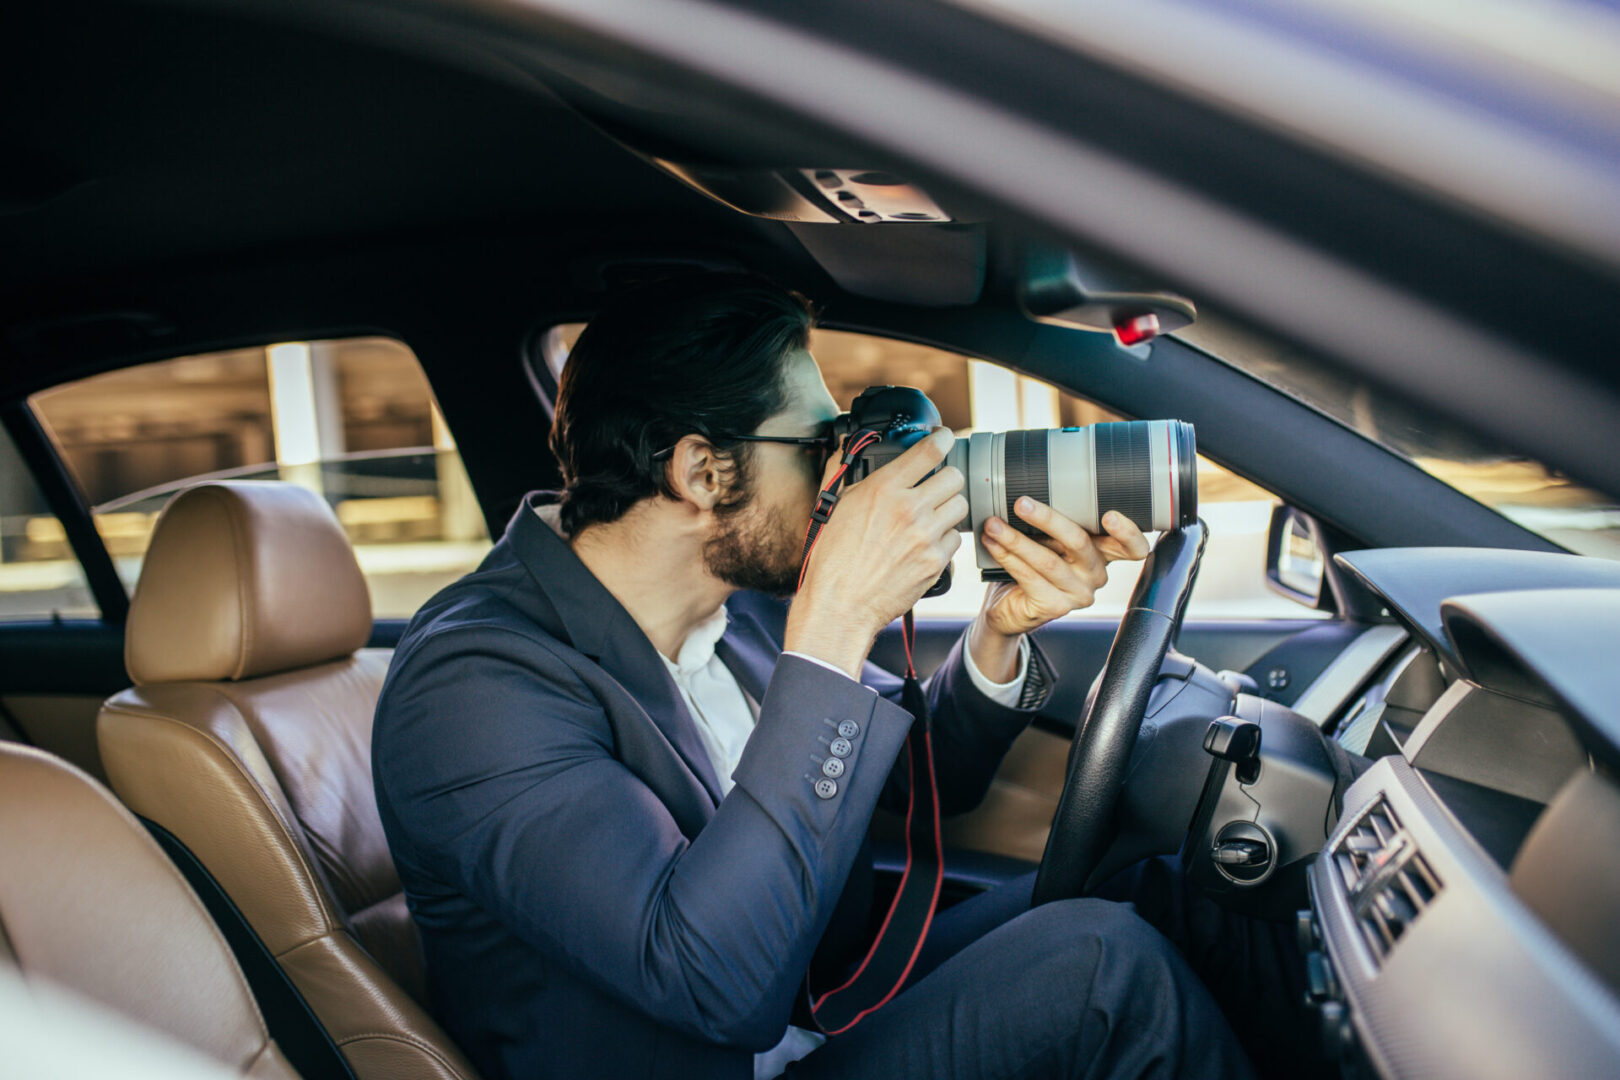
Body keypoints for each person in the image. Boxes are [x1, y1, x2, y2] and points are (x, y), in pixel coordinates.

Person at [372, 274, 1257, 1079]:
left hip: (814, 1020)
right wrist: (834, 624)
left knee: (1154, 874)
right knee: (1101, 968)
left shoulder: (740, 600)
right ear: (702, 471)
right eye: (817, 444)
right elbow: (716, 984)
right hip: (726, 1052)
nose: (842, 471)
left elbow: (900, 788)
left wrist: (998, 630)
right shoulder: (471, 688)